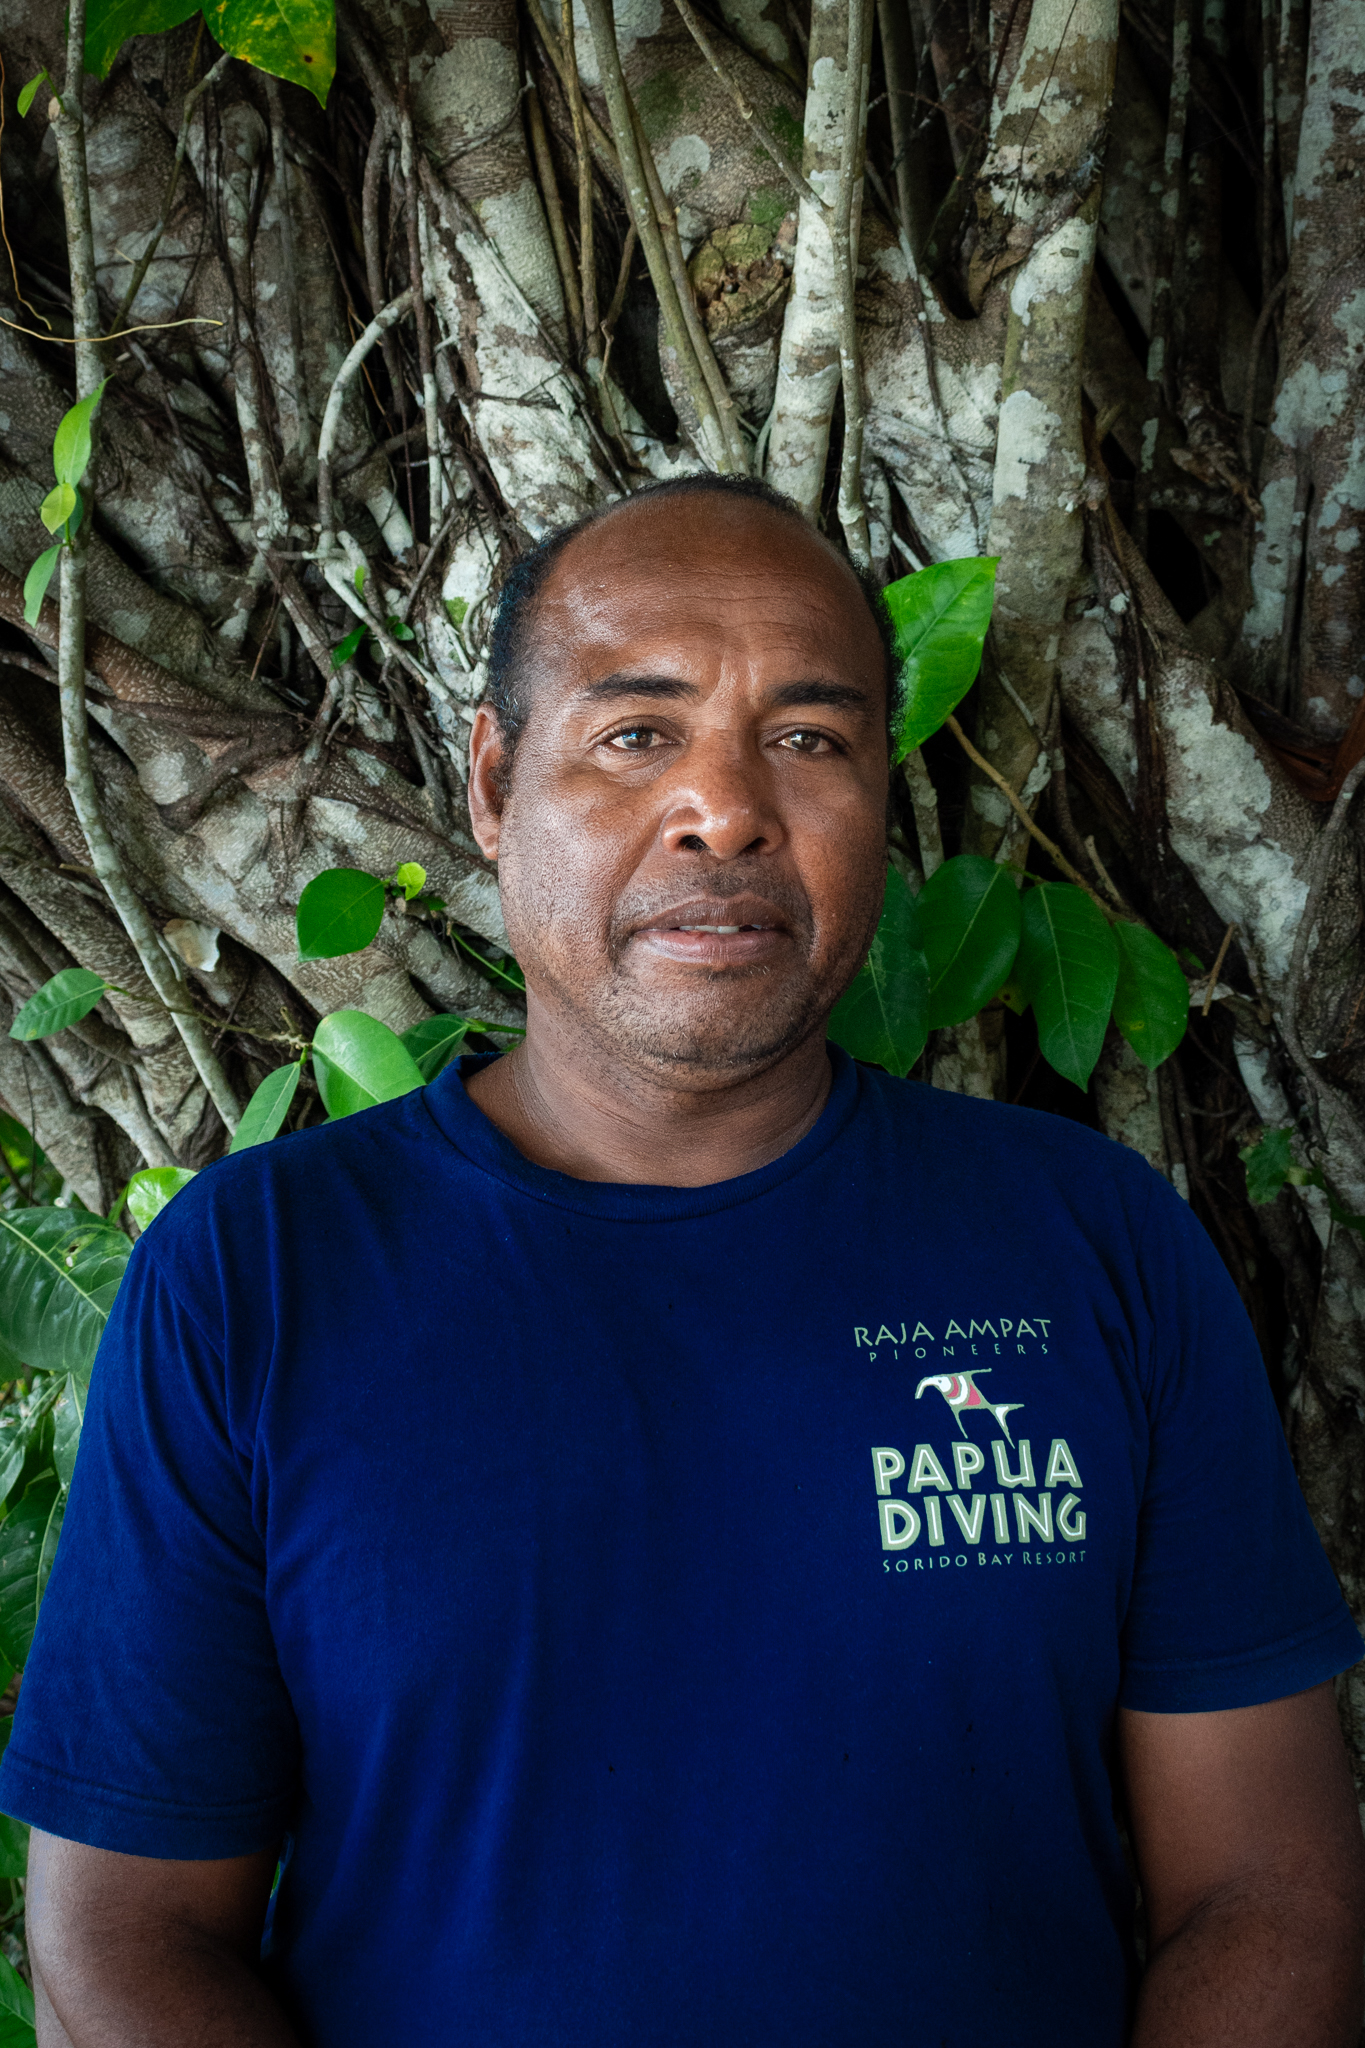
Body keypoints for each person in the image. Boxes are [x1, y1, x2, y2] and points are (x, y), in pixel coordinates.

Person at [5, 476, 1363, 2048]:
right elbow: (120, 1944)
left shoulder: (1095, 1245)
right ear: (496, 786)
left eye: (808, 738)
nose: (726, 808)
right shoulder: (256, 1277)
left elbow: (1265, 1895)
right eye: (637, 733)